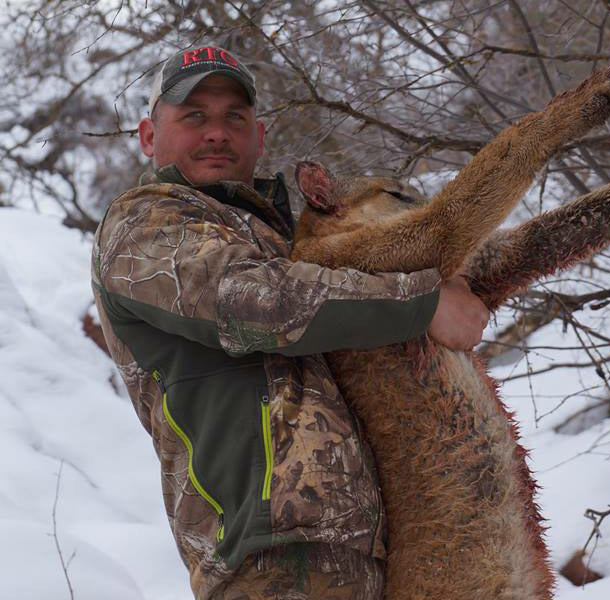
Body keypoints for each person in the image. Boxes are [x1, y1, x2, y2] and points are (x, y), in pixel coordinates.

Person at [91, 44, 489, 599]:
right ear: (148, 136)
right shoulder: (143, 225)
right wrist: (424, 305)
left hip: (368, 556)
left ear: (259, 138)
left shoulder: (281, 240)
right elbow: (252, 301)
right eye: (193, 115)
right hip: (269, 563)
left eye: (235, 116)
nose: (216, 131)